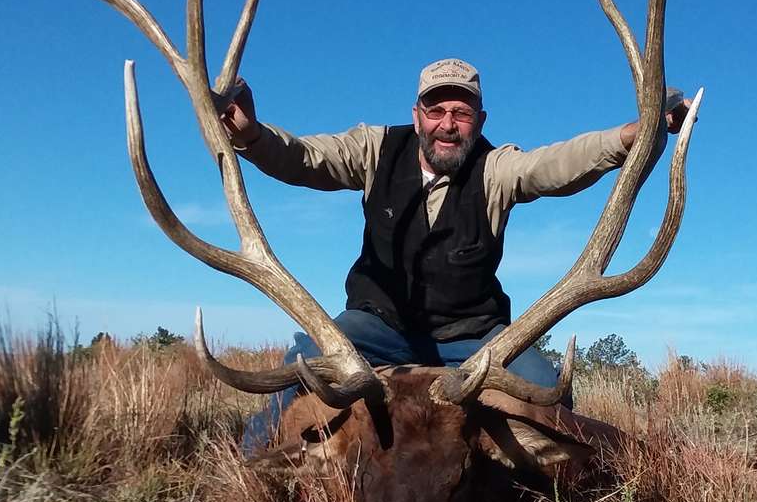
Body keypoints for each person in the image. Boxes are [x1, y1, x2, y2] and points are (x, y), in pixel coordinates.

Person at [218, 58, 690, 447]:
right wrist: (252, 135)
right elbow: (304, 157)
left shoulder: (495, 169)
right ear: (418, 114)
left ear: (479, 121)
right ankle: (255, 467)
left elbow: (554, 165)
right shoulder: (375, 148)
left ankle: (547, 500)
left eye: (461, 113)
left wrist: (630, 136)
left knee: (545, 390)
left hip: (472, 336)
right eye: (436, 109)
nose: (448, 124)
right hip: (379, 326)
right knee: (302, 366)